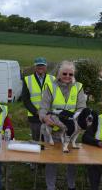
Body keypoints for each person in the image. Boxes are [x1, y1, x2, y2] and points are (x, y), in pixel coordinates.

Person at [39, 60, 87, 190]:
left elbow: (82, 108)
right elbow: (43, 108)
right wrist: (45, 117)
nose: (67, 76)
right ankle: (50, 186)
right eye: (64, 73)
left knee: (72, 160)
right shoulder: (50, 86)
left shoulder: (78, 87)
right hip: (53, 131)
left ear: (73, 75)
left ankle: (71, 185)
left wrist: (74, 122)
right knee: (51, 160)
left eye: (70, 74)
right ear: (59, 74)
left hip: (71, 132)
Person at [22, 57, 55, 141]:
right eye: (38, 65)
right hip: (34, 117)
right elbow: (26, 100)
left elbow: (56, 98)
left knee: (49, 140)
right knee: (36, 141)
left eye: (42, 65)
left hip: (49, 116)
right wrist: (37, 112)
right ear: (35, 66)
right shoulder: (27, 79)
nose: (40, 67)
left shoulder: (53, 79)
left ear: (46, 66)